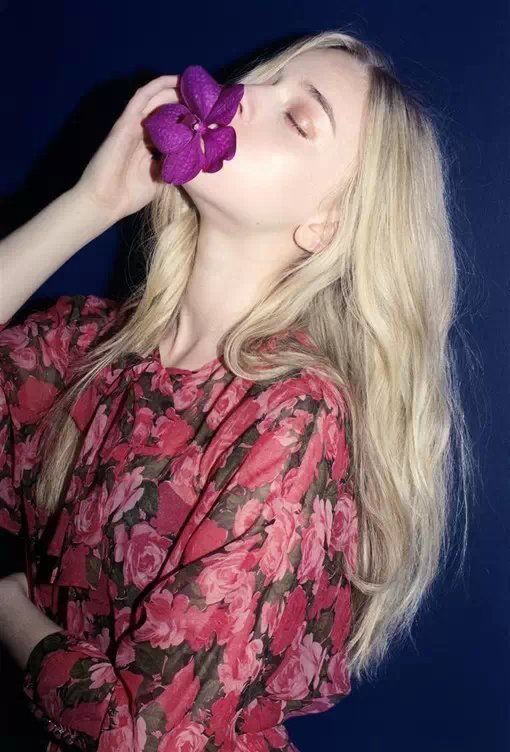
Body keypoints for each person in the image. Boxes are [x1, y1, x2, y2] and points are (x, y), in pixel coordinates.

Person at [0, 29, 474, 752]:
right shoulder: (93, 349)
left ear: (325, 224)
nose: (242, 98)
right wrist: (90, 204)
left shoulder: (294, 415)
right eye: (261, 80)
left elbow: (143, 737)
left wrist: (7, 606)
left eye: (298, 117)